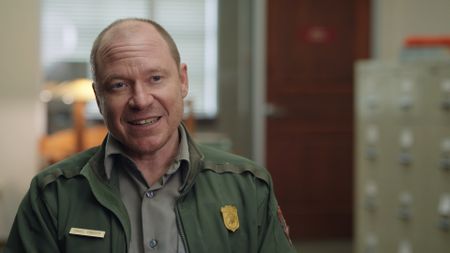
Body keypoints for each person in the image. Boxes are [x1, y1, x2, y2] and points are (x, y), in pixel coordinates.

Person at [5, 18, 296, 253]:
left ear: (182, 80)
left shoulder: (247, 187)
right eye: (119, 85)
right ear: (98, 97)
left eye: (155, 78)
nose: (141, 100)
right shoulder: (51, 195)